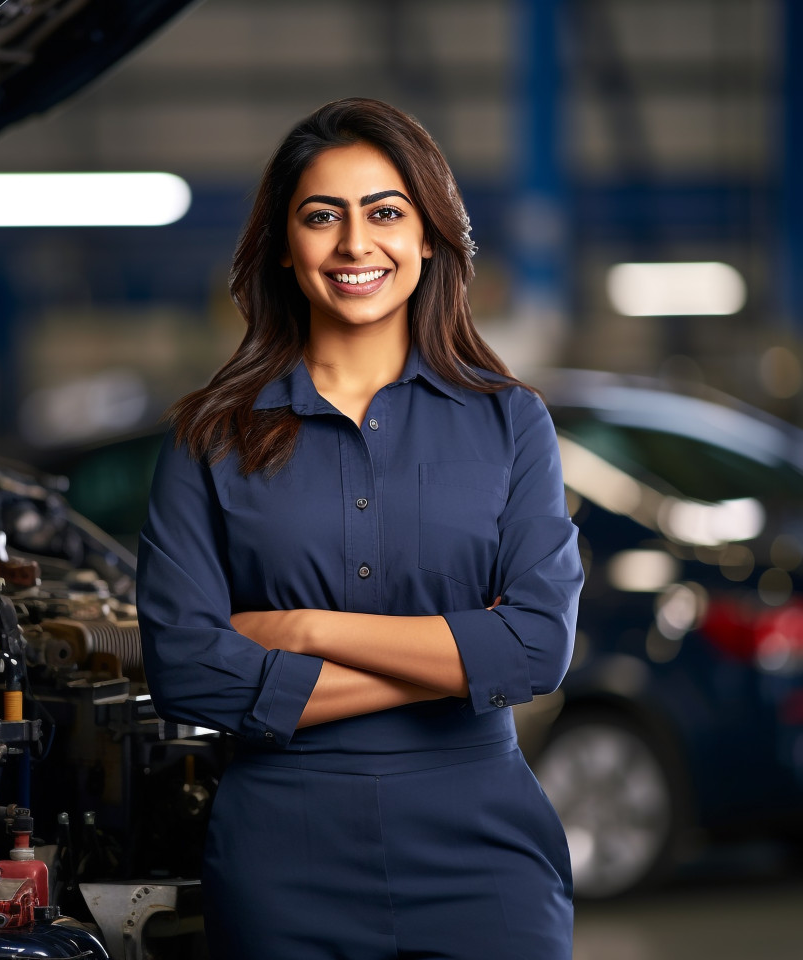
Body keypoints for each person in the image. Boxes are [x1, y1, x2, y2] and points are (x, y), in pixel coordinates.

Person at [137, 97, 583, 960]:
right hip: (283, 854)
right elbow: (187, 672)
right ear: (283, 245)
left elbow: (537, 649)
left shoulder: (512, 424)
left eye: (385, 213)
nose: (354, 245)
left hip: (482, 850)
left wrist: (303, 631)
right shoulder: (208, 438)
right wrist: (463, 662)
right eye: (321, 217)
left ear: (428, 238)